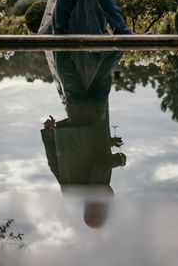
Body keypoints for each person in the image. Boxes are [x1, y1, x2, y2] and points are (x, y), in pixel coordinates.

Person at [41, 50, 126, 228]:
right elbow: (54, 164)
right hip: (86, 125)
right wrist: (49, 133)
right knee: (94, 78)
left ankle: (121, 42)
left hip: (89, 122)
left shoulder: (98, 196)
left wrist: (118, 160)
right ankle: (120, 41)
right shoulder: (70, 193)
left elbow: (99, 167)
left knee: (84, 76)